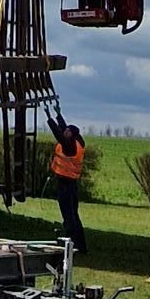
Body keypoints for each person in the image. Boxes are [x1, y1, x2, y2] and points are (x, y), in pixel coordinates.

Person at [46, 106, 87, 252]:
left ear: (72, 135)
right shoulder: (76, 142)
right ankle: (80, 245)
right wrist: (58, 115)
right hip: (71, 185)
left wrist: (50, 119)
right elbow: (63, 129)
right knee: (73, 215)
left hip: (66, 185)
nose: (66, 131)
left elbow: (59, 134)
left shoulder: (69, 147)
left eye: (68, 131)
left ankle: (73, 245)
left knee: (68, 216)